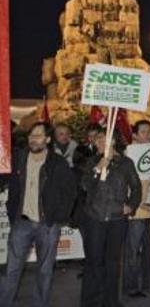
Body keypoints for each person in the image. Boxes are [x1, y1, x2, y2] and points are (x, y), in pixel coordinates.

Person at [0, 122, 77, 307]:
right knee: (12, 269)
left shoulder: (57, 163)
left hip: (47, 225)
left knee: (44, 271)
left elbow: (70, 193)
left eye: (38, 136)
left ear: (48, 139)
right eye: (31, 135)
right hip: (22, 222)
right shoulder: (18, 158)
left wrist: (57, 219)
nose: (33, 139)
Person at [80, 130, 142, 307]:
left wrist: (130, 206)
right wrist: (97, 169)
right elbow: (85, 186)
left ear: (113, 141)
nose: (98, 141)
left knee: (113, 262)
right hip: (95, 218)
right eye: (97, 138)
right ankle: (92, 301)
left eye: (103, 138)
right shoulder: (92, 161)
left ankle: (111, 301)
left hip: (116, 219)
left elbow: (136, 187)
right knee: (94, 261)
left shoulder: (126, 163)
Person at [124, 120, 150, 299]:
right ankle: (132, 286)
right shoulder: (129, 155)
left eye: (149, 132)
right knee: (133, 251)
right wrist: (137, 203)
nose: (147, 135)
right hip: (136, 211)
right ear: (134, 135)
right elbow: (125, 186)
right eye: (143, 132)